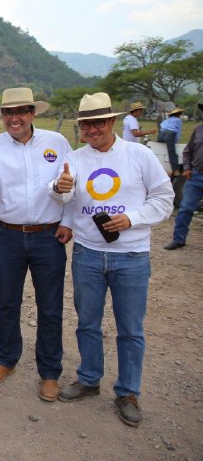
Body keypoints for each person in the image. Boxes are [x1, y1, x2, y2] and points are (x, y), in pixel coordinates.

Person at [52, 92, 173, 427]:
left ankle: (128, 391)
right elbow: (67, 198)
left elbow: (164, 198)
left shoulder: (139, 155)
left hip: (131, 255)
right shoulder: (75, 159)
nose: (92, 130)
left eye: (99, 123)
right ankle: (89, 379)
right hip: (87, 253)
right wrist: (61, 188)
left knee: (130, 329)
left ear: (112, 121)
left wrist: (132, 218)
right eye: (86, 124)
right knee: (87, 322)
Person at [0, 87, 73, 402]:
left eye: (21, 111)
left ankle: (50, 372)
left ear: (32, 113)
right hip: (7, 235)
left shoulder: (56, 142)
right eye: (8, 112)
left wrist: (67, 219)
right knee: (8, 302)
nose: (14, 118)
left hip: (48, 236)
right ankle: (7, 359)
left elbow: (70, 186)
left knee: (50, 306)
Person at [164, 102, 203, 250]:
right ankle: (179, 239)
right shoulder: (198, 130)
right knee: (185, 208)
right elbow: (187, 151)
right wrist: (187, 168)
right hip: (196, 176)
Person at [158, 106, 184, 174]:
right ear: (178, 114)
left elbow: (161, 127)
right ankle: (175, 169)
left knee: (160, 146)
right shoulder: (178, 120)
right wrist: (175, 141)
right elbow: (178, 132)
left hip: (161, 134)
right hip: (170, 134)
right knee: (172, 152)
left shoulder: (166, 120)